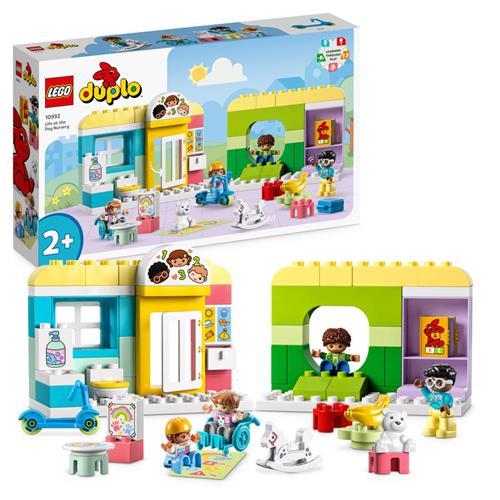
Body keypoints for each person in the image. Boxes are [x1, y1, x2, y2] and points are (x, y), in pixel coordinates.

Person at [414, 364, 457, 438]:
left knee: (444, 420)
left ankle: (445, 430)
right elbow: (427, 395)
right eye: (430, 382)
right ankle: (432, 428)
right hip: (433, 411)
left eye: (439, 383)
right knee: (432, 419)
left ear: (450, 383)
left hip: (443, 411)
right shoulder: (433, 395)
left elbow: (449, 402)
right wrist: (422, 387)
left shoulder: (447, 396)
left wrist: (446, 406)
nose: (434, 386)